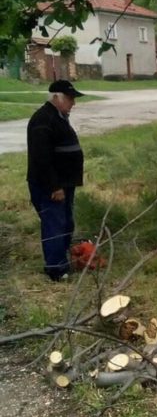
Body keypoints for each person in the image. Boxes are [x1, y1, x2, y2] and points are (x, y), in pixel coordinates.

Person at [27, 80, 85, 281]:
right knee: (54, 224)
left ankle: (63, 260)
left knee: (66, 222)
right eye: (70, 99)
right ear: (56, 97)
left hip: (64, 183)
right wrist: (54, 186)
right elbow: (41, 158)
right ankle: (56, 270)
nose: (73, 103)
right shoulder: (43, 120)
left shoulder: (59, 117)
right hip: (50, 186)